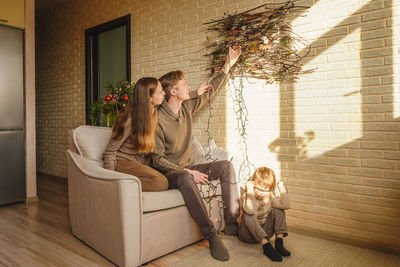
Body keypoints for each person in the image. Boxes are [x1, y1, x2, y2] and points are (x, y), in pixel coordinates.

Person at [152, 46, 242, 261]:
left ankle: (230, 221)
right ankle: (211, 236)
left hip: (187, 168)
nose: (189, 87)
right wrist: (188, 172)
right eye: (184, 84)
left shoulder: (186, 108)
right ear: (173, 91)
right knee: (185, 176)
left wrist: (228, 64)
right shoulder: (157, 120)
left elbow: (210, 90)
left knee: (225, 166)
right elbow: (157, 160)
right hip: (170, 173)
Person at [103, 77, 169, 191]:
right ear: (149, 97)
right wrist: (111, 180)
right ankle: (121, 185)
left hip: (138, 164)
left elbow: (174, 101)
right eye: (160, 91)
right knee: (161, 183)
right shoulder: (131, 120)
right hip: (122, 162)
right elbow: (110, 151)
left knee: (169, 175)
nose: (164, 93)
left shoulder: (152, 113)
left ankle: (128, 181)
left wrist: (196, 93)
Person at [237, 167, 291, 262]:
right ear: (253, 184)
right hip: (247, 234)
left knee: (279, 211)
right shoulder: (248, 195)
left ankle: (279, 243)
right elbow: (250, 210)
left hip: (265, 232)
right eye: (259, 189)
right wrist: (250, 190)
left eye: (266, 190)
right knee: (248, 215)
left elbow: (286, 205)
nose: (263, 193)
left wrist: (282, 188)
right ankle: (267, 247)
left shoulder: (269, 195)